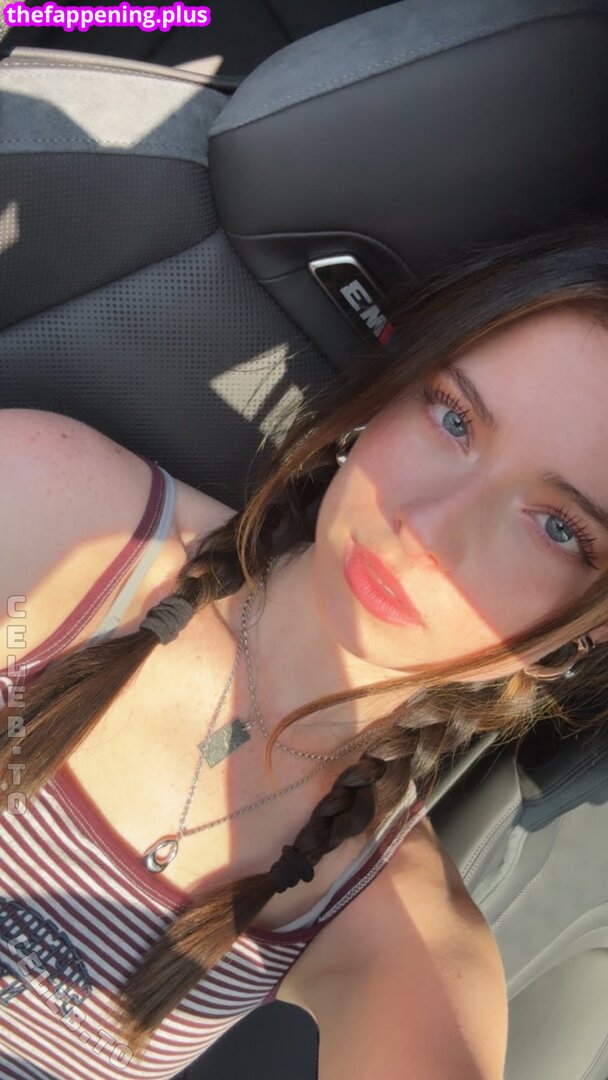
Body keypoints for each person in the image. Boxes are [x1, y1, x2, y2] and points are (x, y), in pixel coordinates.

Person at [1, 212, 607, 1078]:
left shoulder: (400, 932)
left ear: (588, 629)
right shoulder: (51, 517)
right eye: (454, 419)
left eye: (556, 527)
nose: (427, 528)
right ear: (389, 395)